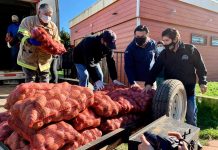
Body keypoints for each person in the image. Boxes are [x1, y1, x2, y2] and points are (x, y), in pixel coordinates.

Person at [144, 28, 207, 126]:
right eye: (163, 40)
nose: (164, 43)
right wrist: (148, 83)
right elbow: (155, 69)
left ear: (175, 39)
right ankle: (175, 138)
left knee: (190, 117)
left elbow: (200, 67)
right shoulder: (164, 54)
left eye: (167, 40)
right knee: (172, 118)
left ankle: (192, 139)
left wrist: (203, 82)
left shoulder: (190, 49)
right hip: (171, 92)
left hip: (188, 90)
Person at [16, 3, 61, 83]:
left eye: (50, 15)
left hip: (45, 61)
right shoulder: (28, 21)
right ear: (39, 12)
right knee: (30, 82)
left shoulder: (53, 26)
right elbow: (20, 34)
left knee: (44, 82)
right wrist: (29, 40)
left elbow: (57, 41)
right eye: (46, 14)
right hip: (29, 58)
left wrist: (56, 50)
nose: (48, 17)